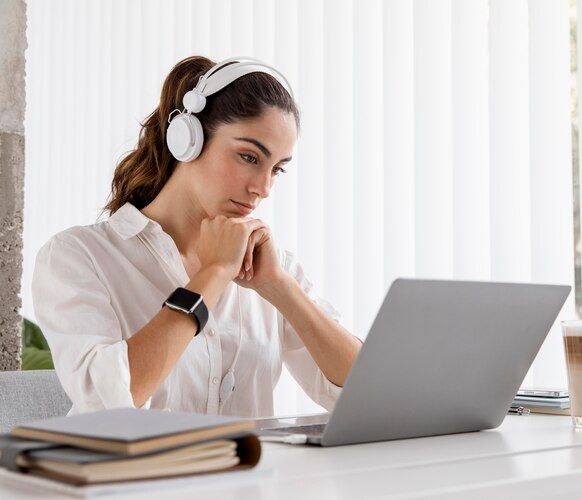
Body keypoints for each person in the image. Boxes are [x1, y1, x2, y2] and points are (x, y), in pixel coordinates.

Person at [32, 56, 362, 417]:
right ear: (186, 140)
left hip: (249, 473)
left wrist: (280, 289)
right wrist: (214, 273)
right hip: (123, 475)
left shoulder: (273, 267)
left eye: (277, 170)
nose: (263, 188)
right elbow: (107, 398)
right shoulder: (79, 256)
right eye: (249, 157)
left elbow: (365, 393)